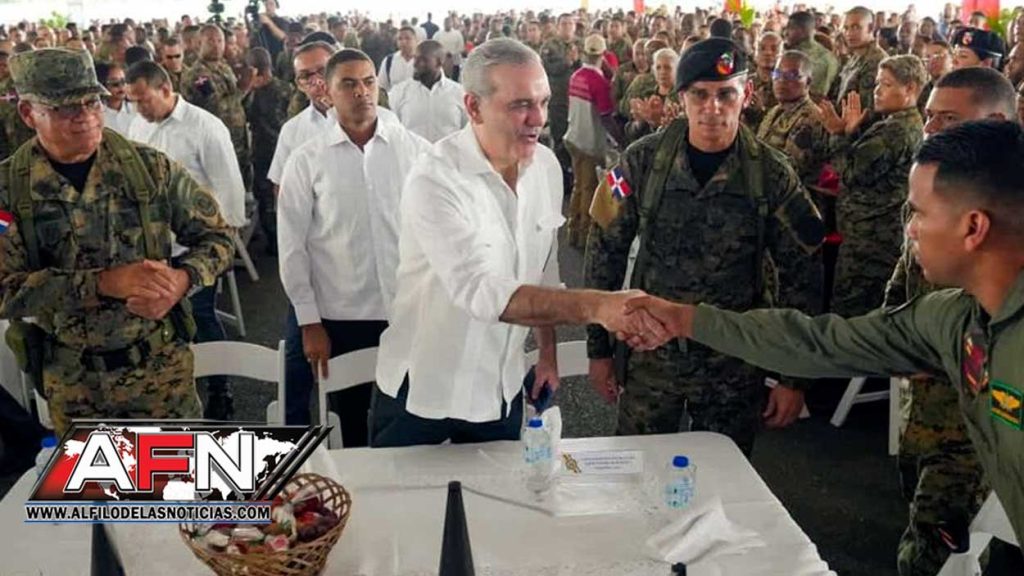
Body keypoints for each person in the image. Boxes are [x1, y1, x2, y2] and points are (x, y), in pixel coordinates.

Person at [622, 118, 1024, 555]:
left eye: (919, 214)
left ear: (973, 227)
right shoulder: (955, 318)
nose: (909, 229)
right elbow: (820, 342)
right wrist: (685, 319)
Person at [370, 39, 648, 448]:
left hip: (500, 387)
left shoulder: (545, 167)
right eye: (520, 105)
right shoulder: (435, 179)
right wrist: (598, 306)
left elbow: (544, 273)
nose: (538, 118)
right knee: (399, 492)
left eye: (543, 102)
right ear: (473, 107)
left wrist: (548, 355)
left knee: (505, 489)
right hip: (424, 391)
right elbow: (481, 292)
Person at [584, 38, 825, 456]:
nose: (712, 107)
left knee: (725, 478)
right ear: (681, 97)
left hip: (732, 361)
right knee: (636, 469)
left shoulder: (771, 175)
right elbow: (604, 251)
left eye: (726, 94)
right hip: (651, 355)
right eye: (699, 94)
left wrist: (793, 378)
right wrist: (599, 349)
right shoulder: (642, 162)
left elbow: (803, 276)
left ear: (746, 95)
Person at [0, 48, 233, 436]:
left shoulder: (148, 169)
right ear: (28, 113)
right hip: (76, 388)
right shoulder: (8, 192)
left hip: (160, 377)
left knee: (174, 474)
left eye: (92, 102)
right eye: (65, 108)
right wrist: (102, 283)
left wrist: (182, 280)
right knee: (99, 478)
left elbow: (219, 236)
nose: (86, 117)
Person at [889, 66, 1017, 576]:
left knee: (940, 550)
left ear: (998, 124)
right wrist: (896, 342)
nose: (931, 129)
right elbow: (902, 284)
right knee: (921, 518)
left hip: (978, 423)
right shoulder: (935, 190)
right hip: (926, 403)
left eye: (949, 119)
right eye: (929, 117)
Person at [278, 48, 429, 441]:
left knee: (408, 420)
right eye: (348, 84)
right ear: (327, 92)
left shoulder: (416, 152)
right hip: (341, 316)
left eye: (368, 82)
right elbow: (292, 247)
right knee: (352, 420)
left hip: (406, 310)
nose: (361, 91)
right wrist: (309, 321)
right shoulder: (306, 160)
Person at [125, 60, 246, 420]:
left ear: (165, 89)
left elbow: (229, 188)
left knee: (200, 314)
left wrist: (223, 245)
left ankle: (220, 387)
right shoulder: (138, 125)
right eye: (133, 101)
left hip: (196, 246)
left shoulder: (204, 127)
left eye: (143, 100)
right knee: (159, 321)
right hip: (152, 247)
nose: (138, 109)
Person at [818, 55, 925, 317]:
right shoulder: (895, 124)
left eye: (886, 84)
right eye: (877, 83)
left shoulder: (896, 131)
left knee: (850, 314)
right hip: (871, 237)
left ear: (910, 88)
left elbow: (850, 172)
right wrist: (851, 133)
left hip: (871, 243)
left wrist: (838, 134)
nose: (877, 91)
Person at [563, 34, 623, 249]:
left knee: (579, 186)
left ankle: (572, 230)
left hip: (573, 137)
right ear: (603, 54)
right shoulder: (599, 82)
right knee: (589, 189)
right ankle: (585, 236)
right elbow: (606, 117)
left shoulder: (576, 76)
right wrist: (621, 139)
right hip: (589, 142)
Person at [180, 25, 253, 196]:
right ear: (199, 43)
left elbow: (236, 103)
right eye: (210, 41)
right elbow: (214, 107)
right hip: (215, 141)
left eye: (220, 40)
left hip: (237, 137)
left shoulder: (223, 67)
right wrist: (243, 87)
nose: (216, 45)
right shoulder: (198, 75)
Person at [756, 51, 828, 200]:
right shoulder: (776, 111)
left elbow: (788, 170)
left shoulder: (811, 119)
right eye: (777, 74)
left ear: (808, 82)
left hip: (791, 200)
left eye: (792, 76)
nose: (781, 81)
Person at [243, 47, 293, 255]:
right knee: (270, 199)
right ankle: (277, 242)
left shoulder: (256, 93)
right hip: (271, 154)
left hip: (270, 154)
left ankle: (278, 242)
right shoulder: (287, 89)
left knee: (271, 199)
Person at [389, 40, 467, 143]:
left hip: (449, 153)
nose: (415, 64)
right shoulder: (400, 92)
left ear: (439, 62)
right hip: (411, 153)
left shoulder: (459, 93)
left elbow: (467, 131)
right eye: (415, 58)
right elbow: (392, 130)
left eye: (422, 60)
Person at [832, 6, 888, 116]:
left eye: (856, 27)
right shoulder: (855, 56)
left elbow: (867, 111)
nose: (849, 33)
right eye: (846, 28)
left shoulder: (876, 61)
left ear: (870, 28)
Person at [540, 13, 579, 170]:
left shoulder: (580, 44)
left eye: (570, 24)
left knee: (577, 140)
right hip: (558, 99)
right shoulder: (550, 46)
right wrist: (567, 62)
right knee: (559, 138)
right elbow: (546, 69)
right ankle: (561, 172)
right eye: (564, 24)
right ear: (558, 26)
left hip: (577, 100)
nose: (567, 27)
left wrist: (577, 60)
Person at [784, 11, 839, 99]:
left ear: (802, 30)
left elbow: (818, 97)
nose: (785, 33)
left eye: (790, 28)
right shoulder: (791, 51)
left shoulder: (821, 59)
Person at [745, 32, 781, 129]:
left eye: (774, 49)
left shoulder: (787, 87)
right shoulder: (744, 83)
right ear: (755, 54)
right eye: (762, 48)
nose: (768, 53)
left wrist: (762, 111)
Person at [95, 62, 135, 136]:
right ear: (103, 85)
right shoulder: (97, 114)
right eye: (115, 83)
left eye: (123, 81)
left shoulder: (136, 110)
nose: (121, 86)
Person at [378, 26, 418, 92]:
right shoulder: (389, 61)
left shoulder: (423, 61)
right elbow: (382, 86)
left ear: (416, 40)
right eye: (400, 39)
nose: (403, 42)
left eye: (407, 38)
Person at [918, 40, 952, 111]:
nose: (932, 61)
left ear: (952, 58)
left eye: (938, 56)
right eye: (927, 57)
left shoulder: (961, 88)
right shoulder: (922, 93)